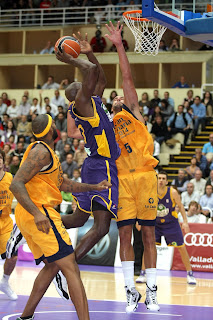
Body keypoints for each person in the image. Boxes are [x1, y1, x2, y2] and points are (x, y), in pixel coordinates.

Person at [9, 114, 111, 320]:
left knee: (53, 264)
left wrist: (94, 187)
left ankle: (26, 316)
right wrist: (38, 214)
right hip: (38, 212)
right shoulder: (40, 151)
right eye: (54, 124)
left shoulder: (49, 154)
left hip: (32, 213)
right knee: (71, 266)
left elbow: (63, 184)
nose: (57, 126)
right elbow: (16, 183)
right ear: (48, 130)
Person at [106, 21, 159, 312]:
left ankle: (151, 291)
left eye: (121, 95)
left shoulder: (135, 112)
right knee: (125, 235)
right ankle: (130, 291)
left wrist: (118, 45)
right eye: (114, 97)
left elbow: (126, 75)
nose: (119, 96)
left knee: (148, 235)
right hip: (122, 180)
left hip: (146, 177)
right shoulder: (106, 125)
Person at [55, 31, 120, 269]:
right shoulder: (82, 106)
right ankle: (67, 267)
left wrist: (90, 52)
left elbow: (100, 79)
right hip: (101, 165)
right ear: (78, 96)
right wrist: (71, 59)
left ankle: (33, 222)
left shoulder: (93, 101)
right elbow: (91, 73)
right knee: (101, 227)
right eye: (83, 87)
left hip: (94, 165)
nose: (89, 86)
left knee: (77, 219)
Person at [136, 171, 196, 285]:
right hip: (156, 224)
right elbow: (144, 206)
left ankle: (190, 274)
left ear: (167, 181)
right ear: (156, 180)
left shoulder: (172, 192)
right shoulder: (151, 191)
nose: (161, 180)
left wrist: (185, 222)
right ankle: (143, 273)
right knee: (148, 247)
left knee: (181, 248)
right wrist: (140, 220)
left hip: (171, 224)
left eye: (163, 178)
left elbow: (181, 206)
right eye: (159, 178)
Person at [0, 150, 18, 300]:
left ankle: (4, 282)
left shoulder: (10, 178)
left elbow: (22, 194)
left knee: (12, 256)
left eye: (0, 158)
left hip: (5, 223)